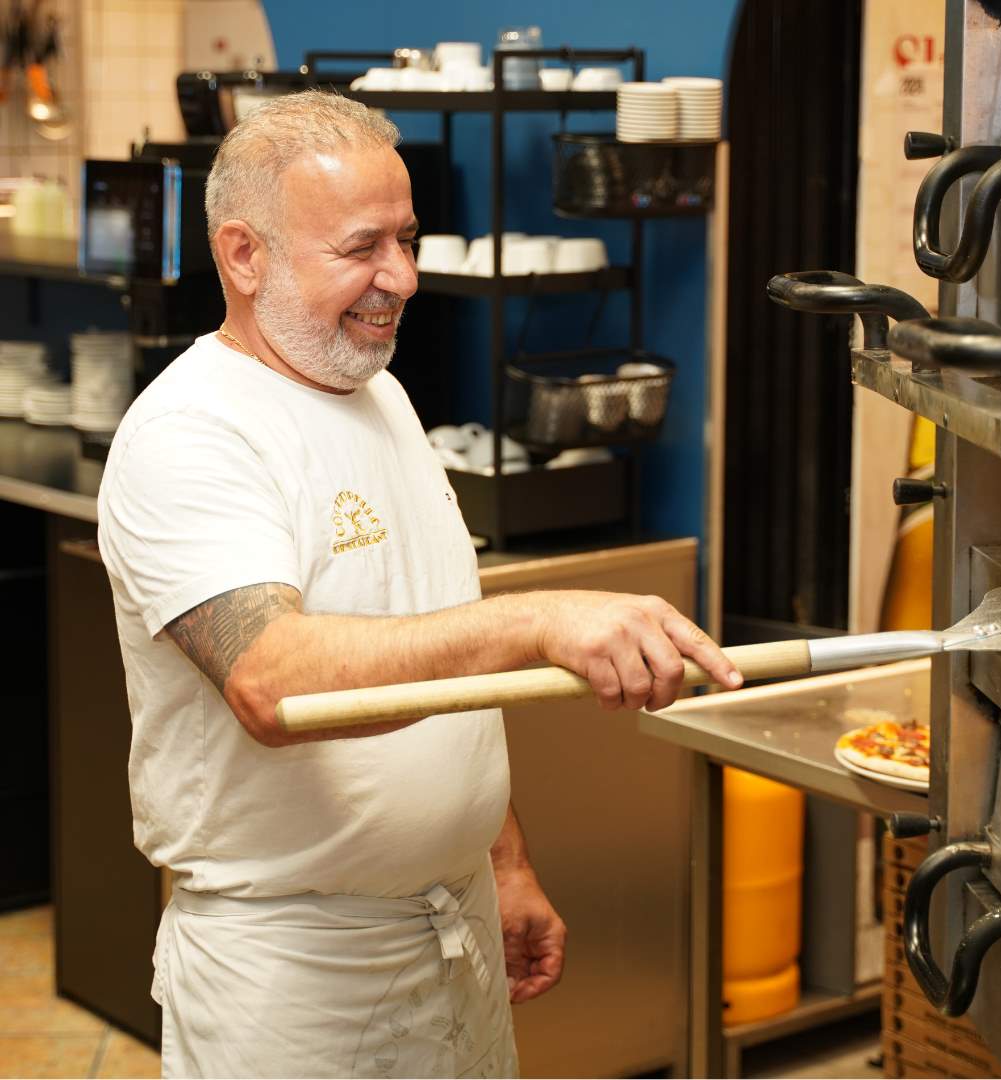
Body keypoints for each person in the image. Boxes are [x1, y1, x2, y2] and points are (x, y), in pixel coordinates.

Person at [96, 89, 742, 1079]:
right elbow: (277, 682)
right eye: (361, 248)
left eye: (408, 237)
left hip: (456, 927)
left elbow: (433, 665)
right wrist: (536, 622)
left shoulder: (380, 395)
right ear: (242, 255)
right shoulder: (194, 434)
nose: (400, 276)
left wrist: (502, 857)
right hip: (297, 974)